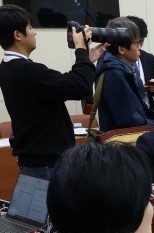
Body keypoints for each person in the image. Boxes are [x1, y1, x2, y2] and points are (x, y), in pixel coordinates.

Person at [0, 4, 105, 177]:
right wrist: (80, 48)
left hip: (36, 162)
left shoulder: (8, 67)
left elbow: (62, 86)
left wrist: (86, 60)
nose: (35, 32)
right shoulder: (26, 70)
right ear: (17, 35)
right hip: (47, 166)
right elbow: (79, 86)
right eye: (30, 27)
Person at [95, 17, 154, 132]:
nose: (140, 48)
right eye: (136, 43)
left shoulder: (120, 66)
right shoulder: (114, 72)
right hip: (123, 139)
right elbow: (130, 120)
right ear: (121, 49)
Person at [127, 16, 154, 115]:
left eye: (141, 41)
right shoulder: (116, 61)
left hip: (149, 113)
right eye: (136, 42)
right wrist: (141, 88)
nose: (139, 46)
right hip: (129, 114)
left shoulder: (148, 58)